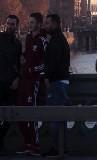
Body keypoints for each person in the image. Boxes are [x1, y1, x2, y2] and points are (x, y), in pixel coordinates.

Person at [15, 13, 47, 156]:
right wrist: (23, 60)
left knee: (32, 112)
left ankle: (36, 144)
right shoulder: (28, 38)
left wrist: (32, 69)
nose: (30, 25)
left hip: (34, 81)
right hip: (24, 79)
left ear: (39, 24)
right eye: (30, 22)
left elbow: (45, 63)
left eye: (33, 22)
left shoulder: (42, 40)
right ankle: (27, 142)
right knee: (21, 110)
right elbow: (27, 55)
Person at [42, 14, 70, 158]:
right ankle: (62, 147)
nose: (45, 26)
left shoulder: (56, 41)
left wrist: (46, 77)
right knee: (61, 117)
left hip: (57, 83)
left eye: (47, 23)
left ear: (55, 24)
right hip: (62, 81)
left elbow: (52, 62)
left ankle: (57, 148)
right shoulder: (60, 39)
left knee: (55, 116)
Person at [0, 15, 22, 155]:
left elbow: (19, 64)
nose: (10, 26)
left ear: (16, 26)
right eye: (8, 24)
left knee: (10, 115)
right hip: (0, 81)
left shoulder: (18, 43)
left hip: (11, 82)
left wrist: (17, 79)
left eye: (13, 24)